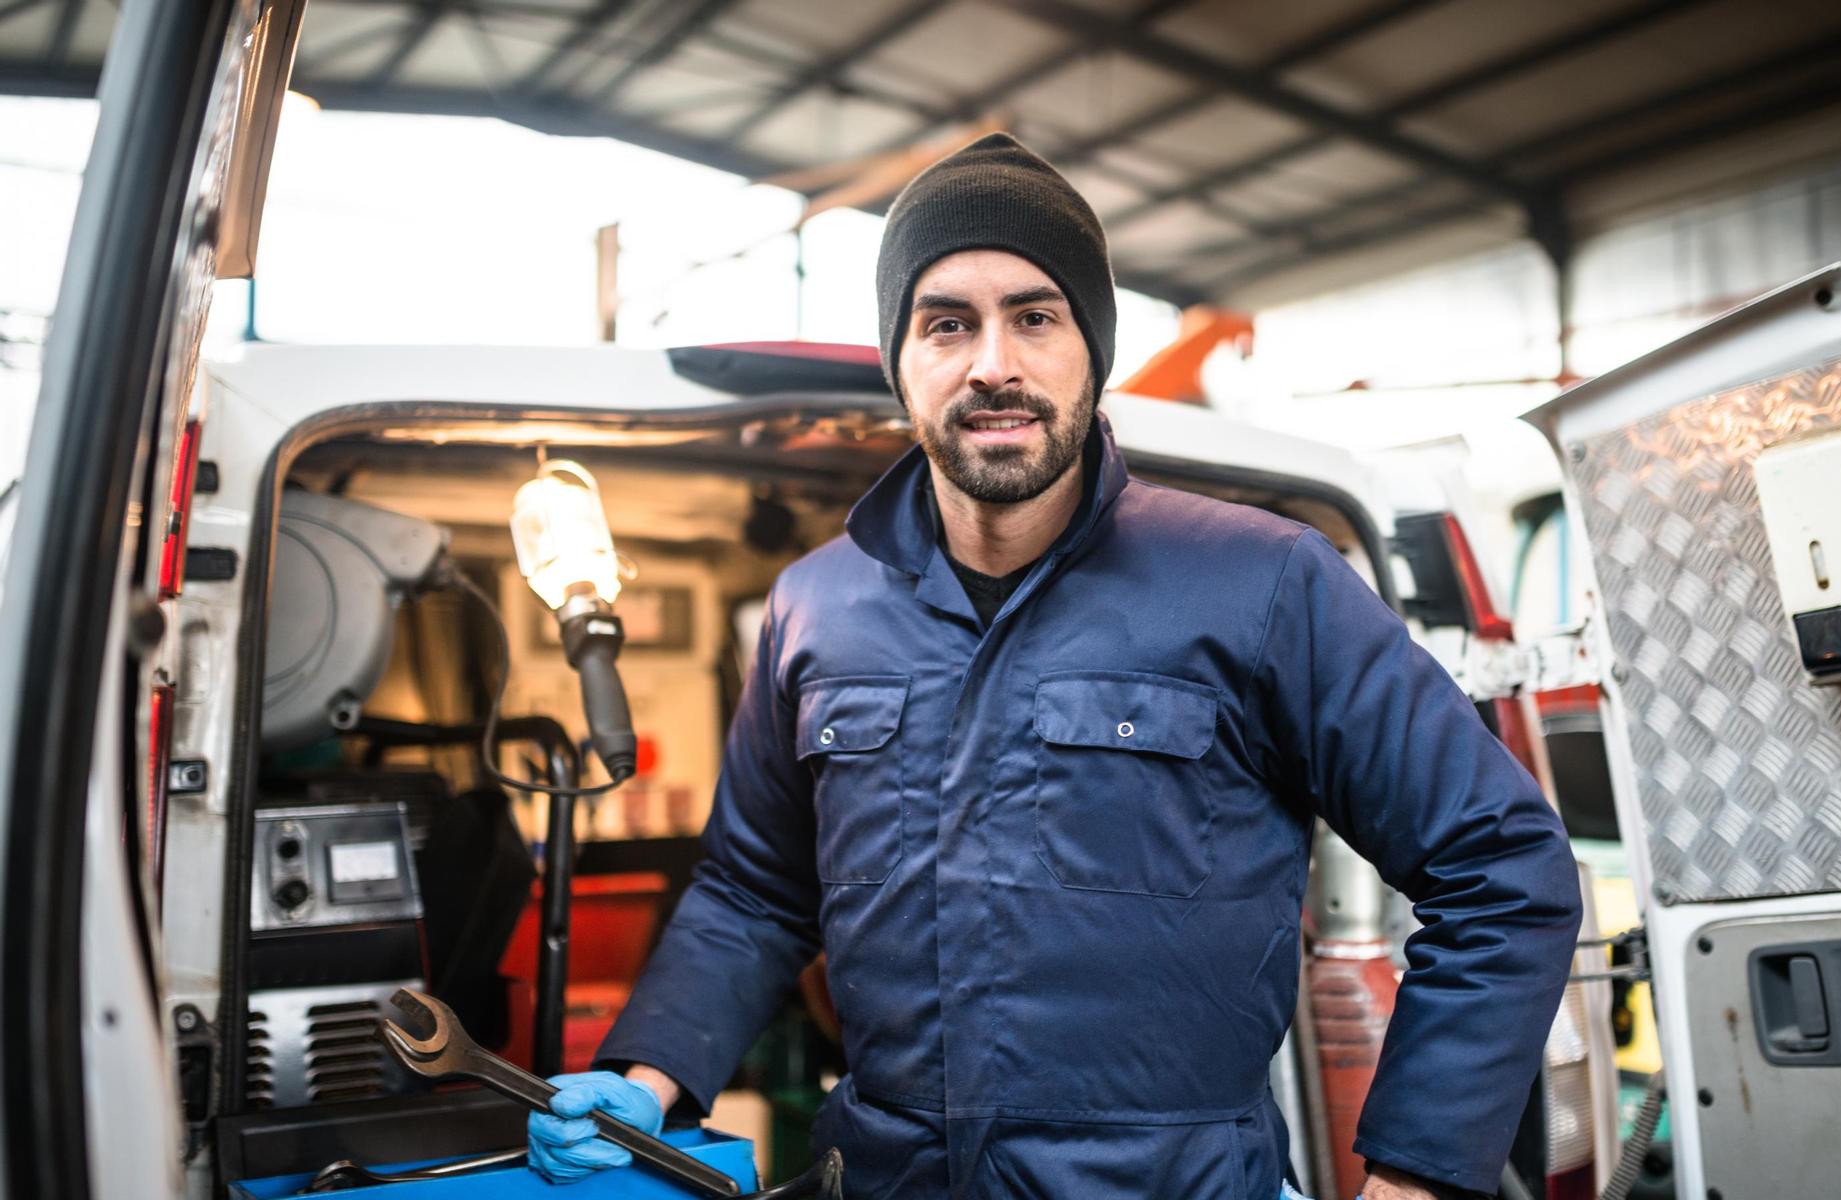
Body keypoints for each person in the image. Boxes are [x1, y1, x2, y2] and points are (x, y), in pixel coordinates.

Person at [525, 133, 1582, 1199]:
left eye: (1034, 316)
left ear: (1092, 348)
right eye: (946, 323)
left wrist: (1416, 1177)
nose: (993, 364)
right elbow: (755, 889)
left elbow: (1500, 870)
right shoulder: (815, 607)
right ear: (900, 359)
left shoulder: (1261, 584)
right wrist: (649, 1069)